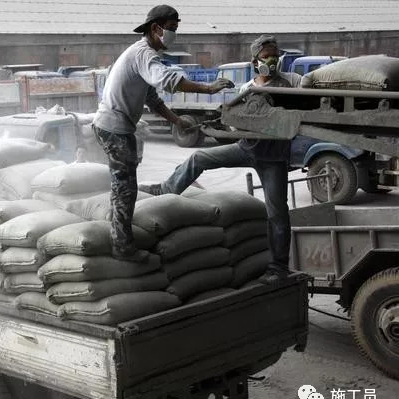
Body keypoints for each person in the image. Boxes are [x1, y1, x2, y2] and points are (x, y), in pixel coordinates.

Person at [139, 35, 301, 284]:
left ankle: (278, 266)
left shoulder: (289, 84)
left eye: (275, 55)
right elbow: (236, 120)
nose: (272, 60)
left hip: (274, 159)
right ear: (255, 60)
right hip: (246, 148)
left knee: (277, 214)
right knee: (199, 157)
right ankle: (167, 188)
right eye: (266, 56)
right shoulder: (247, 88)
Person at [93, 4, 234, 262]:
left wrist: (177, 120)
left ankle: (119, 233)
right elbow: (168, 80)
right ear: (156, 28)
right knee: (125, 188)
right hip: (114, 126)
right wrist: (209, 88)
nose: (173, 35)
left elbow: (152, 99)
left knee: (126, 184)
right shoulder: (144, 54)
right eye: (171, 29)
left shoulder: (140, 55)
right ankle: (122, 247)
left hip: (114, 125)